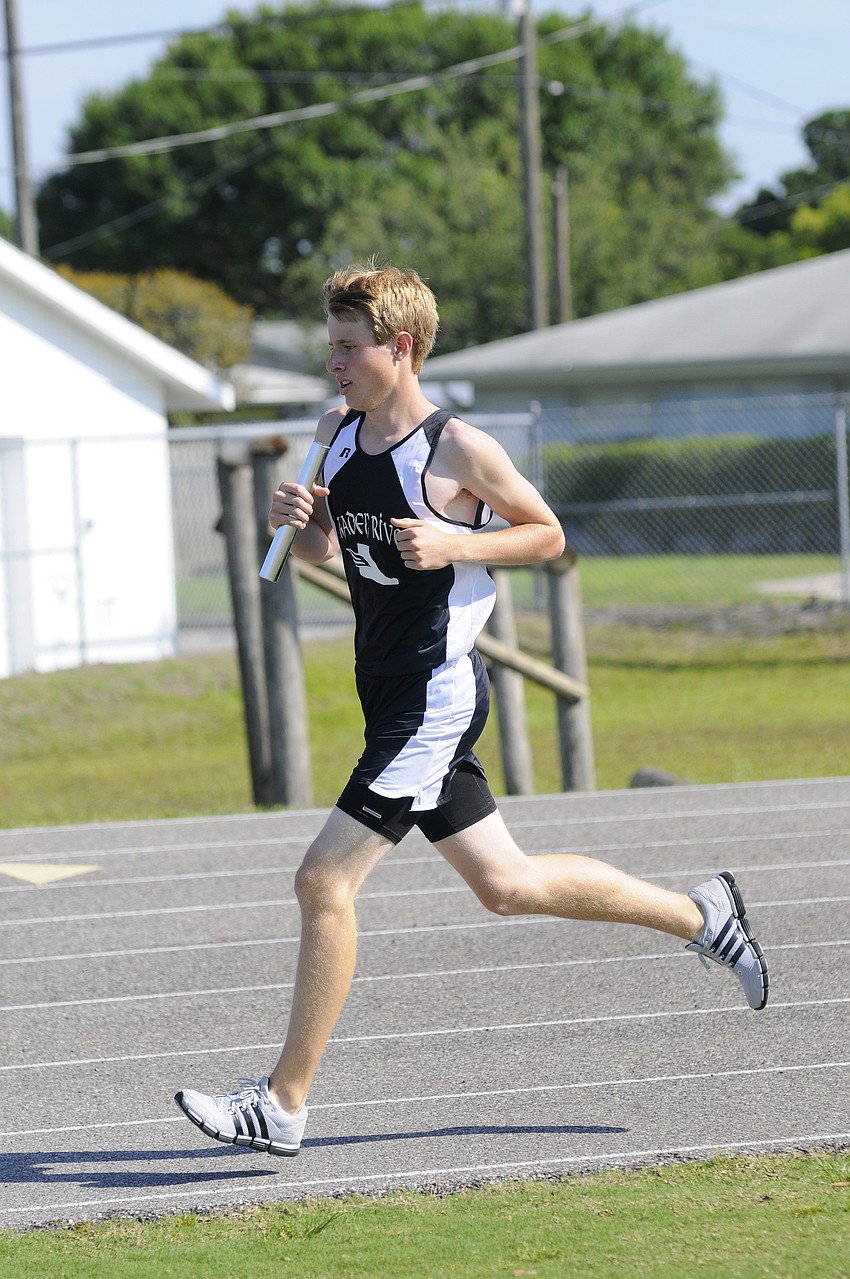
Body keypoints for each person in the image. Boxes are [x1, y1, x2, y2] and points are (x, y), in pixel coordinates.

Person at [175, 262, 769, 1158]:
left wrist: (456, 539)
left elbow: (548, 532)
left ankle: (283, 1103)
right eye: (331, 346)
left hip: (434, 695)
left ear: (400, 347)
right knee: (507, 885)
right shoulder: (335, 432)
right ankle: (703, 917)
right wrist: (297, 522)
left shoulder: (456, 448)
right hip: (386, 692)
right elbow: (329, 552)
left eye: (349, 347)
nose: (334, 363)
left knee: (323, 881)